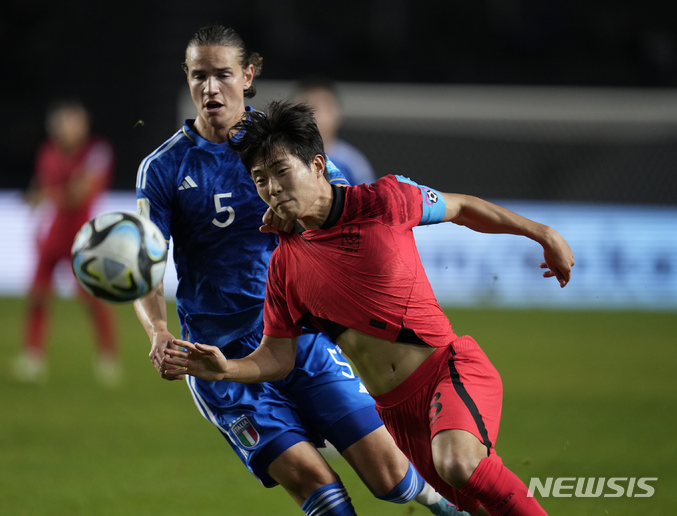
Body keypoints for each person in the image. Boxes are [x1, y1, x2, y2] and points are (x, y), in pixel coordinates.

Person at [165, 101, 576, 516]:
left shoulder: (386, 201)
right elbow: (276, 356)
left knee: (459, 463)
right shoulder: (285, 265)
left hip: (447, 371)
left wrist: (542, 233)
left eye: (282, 171)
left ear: (318, 165)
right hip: (396, 413)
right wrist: (226, 369)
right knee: (473, 507)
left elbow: (462, 208)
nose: (272, 187)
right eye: (260, 179)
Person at [134, 25, 469, 516]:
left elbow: (336, 215)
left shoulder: (280, 145)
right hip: (220, 358)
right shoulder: (162, 169)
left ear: (247, 76)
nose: (211, 88)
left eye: (222, 74)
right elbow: (146, 262)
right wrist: (158, 330)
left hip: (300, 337)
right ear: (186, 79)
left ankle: (449, 506)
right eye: (199, 75)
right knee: (318, 485)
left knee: (388, 473)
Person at [14, 99, 121, 387]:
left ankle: (107, 357)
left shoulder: (97, 151)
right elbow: (42, 184)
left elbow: (80, 194)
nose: (64, 129)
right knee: (37, 294)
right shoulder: (48, 151)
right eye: (61, 123)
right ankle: (32, 356)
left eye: (71, 122)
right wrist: (37, 196)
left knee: (92, 298)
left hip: (82, 238)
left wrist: (45, 195)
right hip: (52, 234)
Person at [293, 76, 377, 186]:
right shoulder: (283, 158)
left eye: (323, 107)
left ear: (336, 113)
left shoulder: (352, 163)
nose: (315, 116)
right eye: (307, 107)